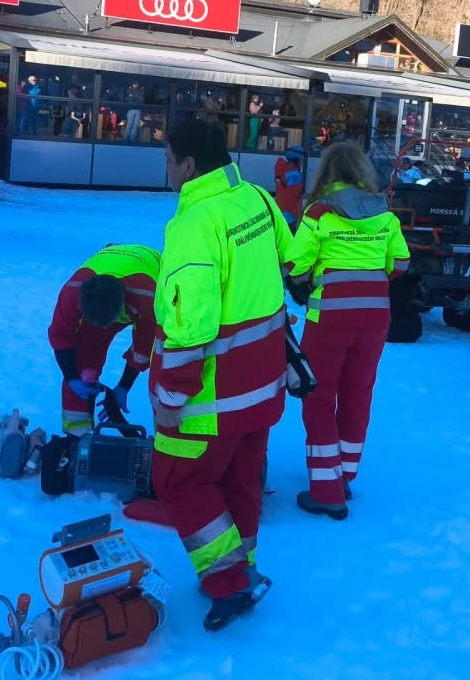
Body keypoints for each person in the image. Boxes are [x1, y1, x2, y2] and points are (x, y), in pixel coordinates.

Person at [150, 119, 291, 632]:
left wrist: (171, 390)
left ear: (188, 165)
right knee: (240, 479)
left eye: (168, 159)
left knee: (177, 480)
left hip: (212, 398)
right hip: (262, 389)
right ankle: (242, 566)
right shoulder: (256, 197)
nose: (166, 169)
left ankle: (231, 583)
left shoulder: (194, 222)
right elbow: (292, 258)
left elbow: (193, 324)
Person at [284, 142, 409, 520]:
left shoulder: (319, 212)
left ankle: (327, 491)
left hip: (330, 320)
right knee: (358, 395)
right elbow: (400, 262)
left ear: (328, 173)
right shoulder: (385, 214)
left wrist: (312, 278)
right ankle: (344, 475)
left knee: (319, 397)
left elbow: (294, 266)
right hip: (375, 318)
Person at [47, 244, 161, 435]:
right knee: (82, 359)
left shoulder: (148, 299)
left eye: (106, 324)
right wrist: (72, 377)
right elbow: (60, 335)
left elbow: (144, 348)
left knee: (164, 360)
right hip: (111, 266)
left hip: (148, 268)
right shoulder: (72, 291)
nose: (103, 330)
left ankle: (169, 441)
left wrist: (124, 387)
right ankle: (78, 434)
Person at [273, 144, 305, 229]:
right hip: (291, 217)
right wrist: (297, 217)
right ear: (296, 160)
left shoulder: (283, 170)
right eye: (301, 159)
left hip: (281, 212)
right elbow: (292, 198)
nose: (302, 162)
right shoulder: (295, 175)